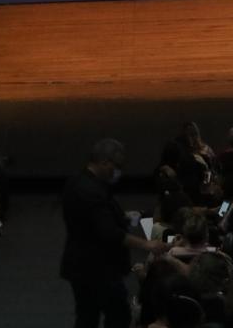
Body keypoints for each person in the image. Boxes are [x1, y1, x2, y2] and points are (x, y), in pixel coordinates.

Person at [61, 138, 165, 328]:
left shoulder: (77, 181)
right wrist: (147, 244)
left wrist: (119, 216)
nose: (118, 171)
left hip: (80, 263)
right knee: (118, 316)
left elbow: (90, 219)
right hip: (98, 267)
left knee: (87, 316)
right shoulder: (93, 191)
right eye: (116, 166)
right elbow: (109, 232)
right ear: (103, 162)